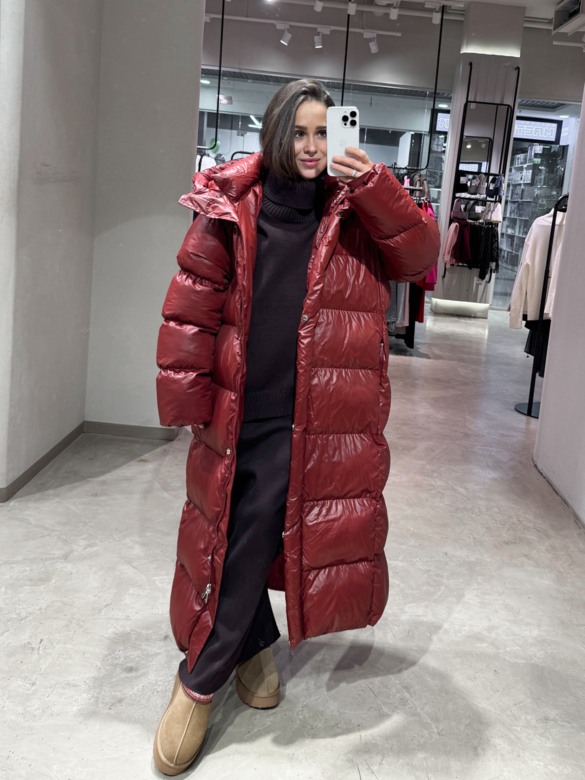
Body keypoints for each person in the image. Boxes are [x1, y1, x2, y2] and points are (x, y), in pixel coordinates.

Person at [153, 78, 440, 776]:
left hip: (309, 415)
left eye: (324, 132)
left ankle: (199, 679)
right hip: (236, 406)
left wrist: (373, 184)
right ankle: (249, 646)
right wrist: (187, 398)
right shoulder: (229, 203)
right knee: (233, 531)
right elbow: (193, 303)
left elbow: (418, 256)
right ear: (277, 134)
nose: (312, 147)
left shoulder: (353, 210)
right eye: (301, 132)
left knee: (254, 534)